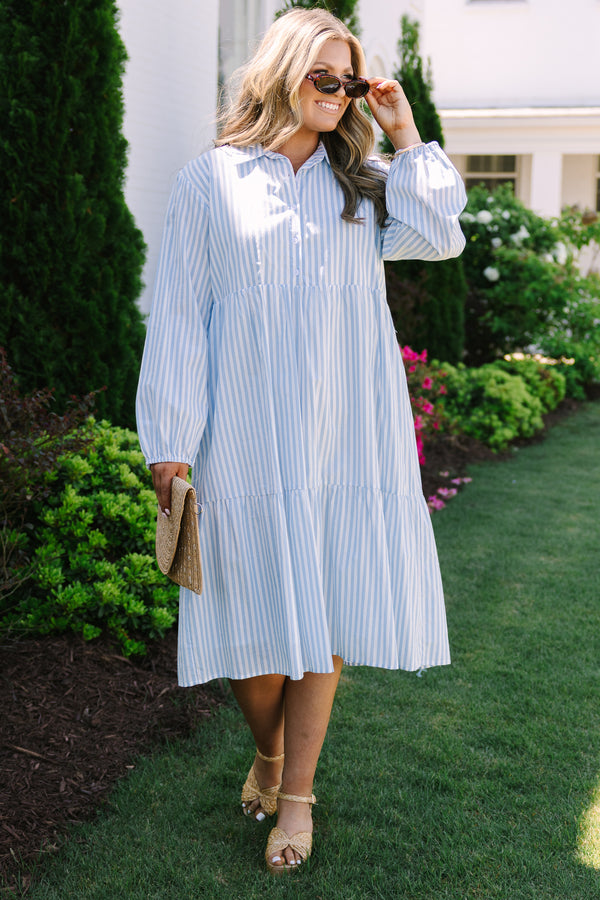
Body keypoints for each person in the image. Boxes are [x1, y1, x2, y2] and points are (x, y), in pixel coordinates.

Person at [136, 6, 466, 875]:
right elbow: (178, 311)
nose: (342, 93)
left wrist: (401, 126)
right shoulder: (211, 181)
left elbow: (438, 234)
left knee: (321, 615)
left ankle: (297, 794)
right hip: (242, 434)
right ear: (282, 73)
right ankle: (270, 751)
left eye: (351, 81)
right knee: (247, 620)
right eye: (328, 76)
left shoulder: (362, 182)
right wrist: (170, 439)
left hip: (343, 430)